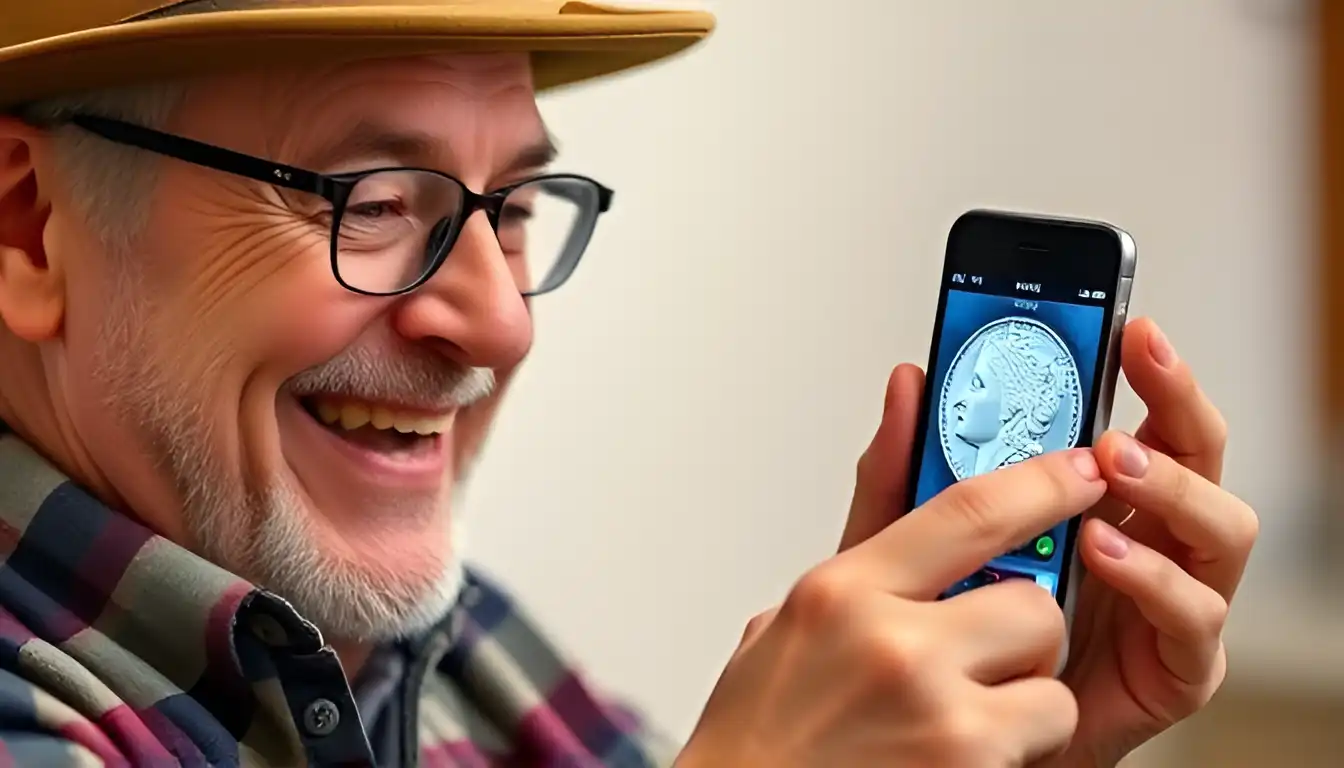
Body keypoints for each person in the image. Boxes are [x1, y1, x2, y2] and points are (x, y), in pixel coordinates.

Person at [0, 1, 1259, 766]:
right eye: (376, 202)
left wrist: (999, 746)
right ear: (27, 227)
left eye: (515, 210)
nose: (500, 323)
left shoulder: (449, 657)